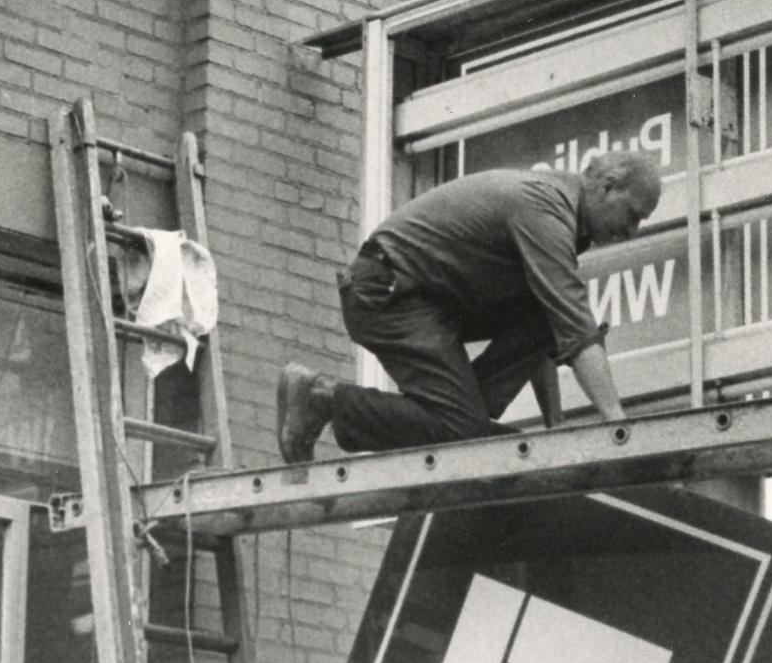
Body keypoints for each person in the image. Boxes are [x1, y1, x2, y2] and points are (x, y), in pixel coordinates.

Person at [275, 150, 661, 462]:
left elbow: (549, 326)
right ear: (608, 187)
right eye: (632, 216)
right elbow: (577, 331)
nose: (631, 232)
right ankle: (321, 396)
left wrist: (553, 426)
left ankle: (466, 418)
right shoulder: (546, 211)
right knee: (462, 432)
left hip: (426, 298)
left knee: (541, 318)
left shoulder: (559, 210)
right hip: (387, 293)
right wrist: (617, 427)